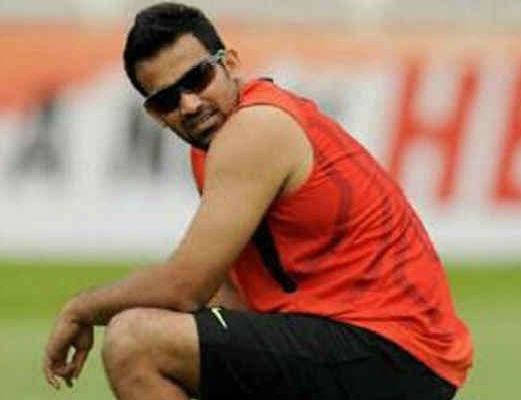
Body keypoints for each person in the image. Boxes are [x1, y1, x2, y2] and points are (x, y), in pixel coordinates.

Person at [42, 2, 473, 399]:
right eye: (168, 99)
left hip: (393, 352)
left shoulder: (255, 129)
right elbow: (229, 294)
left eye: (197, 79)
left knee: (135, 342)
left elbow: (184, 288)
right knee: (190, 339)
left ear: (229, 63)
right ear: (155, 114)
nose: (189, 104)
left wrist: (81, 309)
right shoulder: (214, 145)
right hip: (380, 350)